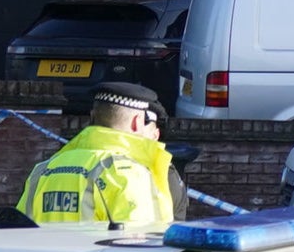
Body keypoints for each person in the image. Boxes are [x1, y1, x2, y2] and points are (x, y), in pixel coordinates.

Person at [10, 81, 185, 230]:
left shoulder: (43, 170)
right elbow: (140, 245)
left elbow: (17, 233)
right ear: (136, 122)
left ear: (93, 117)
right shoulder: (127, 173)